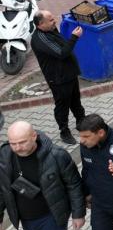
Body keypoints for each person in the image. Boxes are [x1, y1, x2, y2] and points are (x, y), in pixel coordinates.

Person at [0, 121, 85, 230]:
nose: (17, 148)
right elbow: (2, 188)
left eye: (22, 142)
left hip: (53, 215)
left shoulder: (56, 155)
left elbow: (74, 185)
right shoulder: (4, 155)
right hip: (26, 218)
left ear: (34, 136)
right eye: (13, 143)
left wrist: (78, 213)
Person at [29, 11, 86, 144]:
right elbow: (62, 53)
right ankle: (64, 132)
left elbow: (63, 46)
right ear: (40, 24)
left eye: (53, 18)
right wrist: (74, 37)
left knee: (75, 100)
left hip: (69, 73)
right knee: (62, 106)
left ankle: (82, 122)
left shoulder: (51, 30)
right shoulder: (40, 39)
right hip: (58, 79)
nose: (54, 21)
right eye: (50, 20)